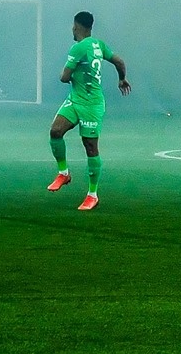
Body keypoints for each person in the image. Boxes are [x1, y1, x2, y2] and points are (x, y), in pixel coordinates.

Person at [47, 11, 129, 211]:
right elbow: (119, 61)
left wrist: (70, 73)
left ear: (77, 27)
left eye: (73, 26)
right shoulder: (98, 45)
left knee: (90, 146)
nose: (72, 30)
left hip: (92, 104)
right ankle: (64, 173)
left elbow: (64, 78)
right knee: (56, 131)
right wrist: (121, 79)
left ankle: (92, 195)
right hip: (75, 100)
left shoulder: (78, 48)